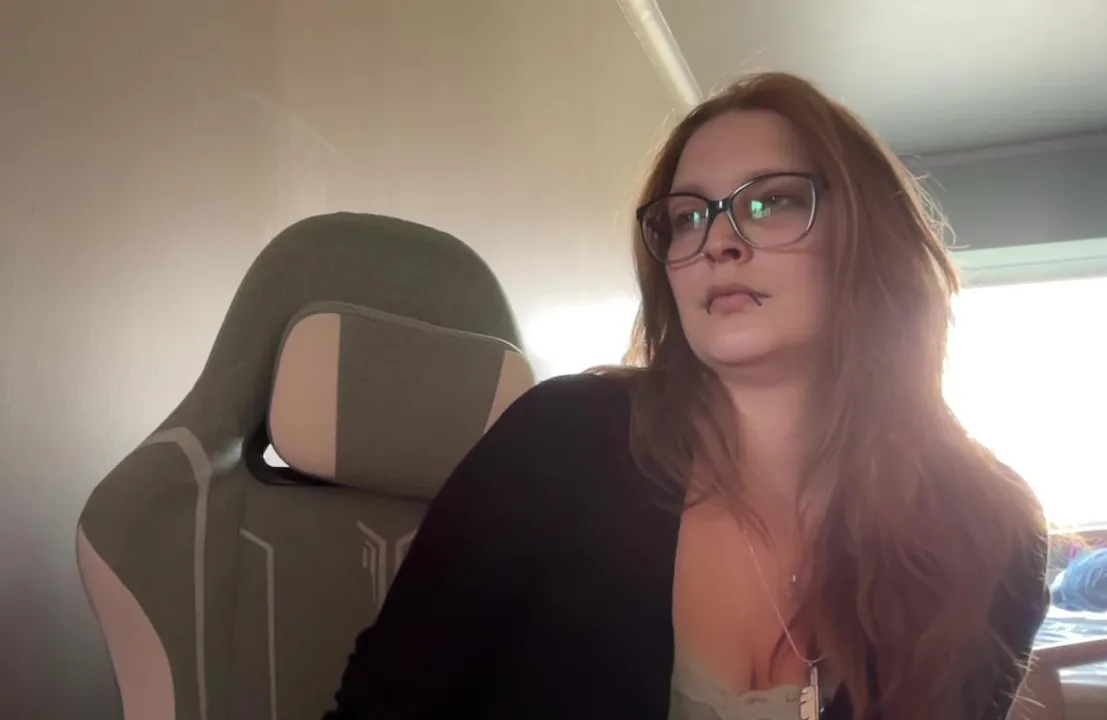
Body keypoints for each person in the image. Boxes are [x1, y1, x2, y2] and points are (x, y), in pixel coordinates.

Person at [325, 72, 1049, 720]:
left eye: (771, 202)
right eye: (688, 217)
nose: (717, 243)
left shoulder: (990, 533)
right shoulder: (558, 443)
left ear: (868, 234)